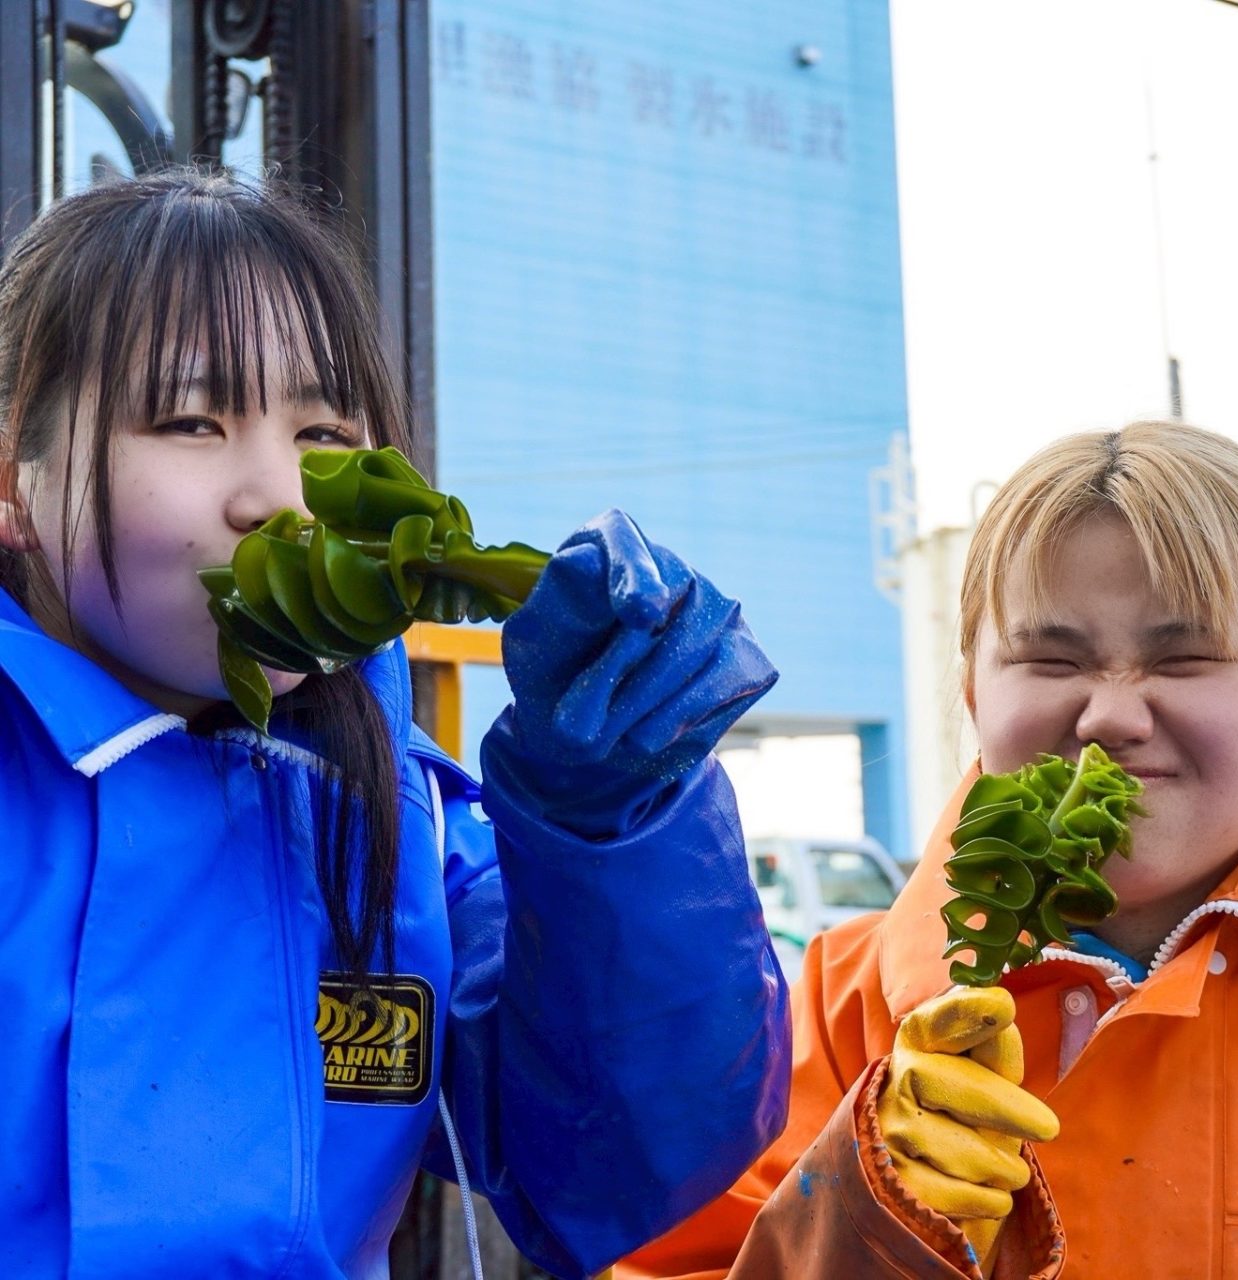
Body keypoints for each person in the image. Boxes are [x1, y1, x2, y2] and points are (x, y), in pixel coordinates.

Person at [0, 171, 790, 1280]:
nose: (277, 495)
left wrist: (614, 825)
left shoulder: (401, 825)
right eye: (189, 419)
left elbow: (617, 1164)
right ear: (12, 482)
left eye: (325, 430)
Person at [620, 419, 1238, 1279]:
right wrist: (860, 1218)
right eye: (1049, 659)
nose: (1112, 717)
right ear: (973, 691)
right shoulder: (832, 1007)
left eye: (1186, 657)